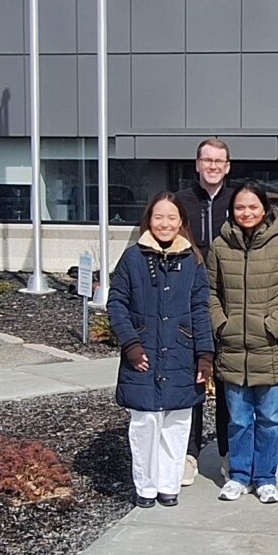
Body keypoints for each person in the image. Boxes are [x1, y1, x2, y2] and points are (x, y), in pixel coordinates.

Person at [107, 193, 215, 509]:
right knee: (144, 425)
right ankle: (145, 487)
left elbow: (200, 309)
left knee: (177, 425)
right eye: (158, 217)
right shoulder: (132, 259)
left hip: (182, 354)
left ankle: (169, 485)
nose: (165, 224)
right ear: (148, 220)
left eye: (171, 217)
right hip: (143, 355)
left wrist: (205, 354)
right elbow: (117, 304)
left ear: (181, 221)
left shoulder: (193, 261)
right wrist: (131, 343)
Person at [209, 185, 278, 503]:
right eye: (240, 207)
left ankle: (265, 477)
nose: (246, 213)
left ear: (264, 209)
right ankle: (239, 475)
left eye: (253, 206)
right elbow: (208, 292)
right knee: (238, 419)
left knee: (269, 419)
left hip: (272, 348)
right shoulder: (220, 247)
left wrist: (275, 324)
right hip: (233, 348)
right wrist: (221, 325)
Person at [172, 137, 238, 484]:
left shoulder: (239, 202)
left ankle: (228, 454)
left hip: (230, 304)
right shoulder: (180, 203)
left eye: (219, 161)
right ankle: (189, 453)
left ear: (227, 167)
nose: (213, 166)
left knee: (227, 382)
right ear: (197, 164)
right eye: (207, 160)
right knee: (194, 378)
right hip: (188, 303)